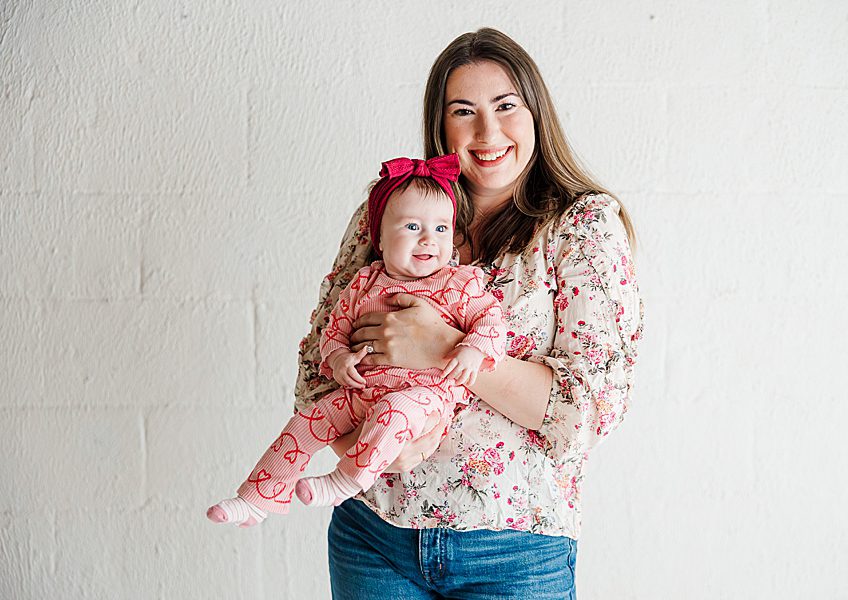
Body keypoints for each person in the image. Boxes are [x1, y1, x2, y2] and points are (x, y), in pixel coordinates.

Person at [295, 28, 644, 599]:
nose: (488, 133)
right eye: (464, 112)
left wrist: (440, 346)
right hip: (374, 537)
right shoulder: (385, 212)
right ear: (441, 125)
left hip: (516, 548)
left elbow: (586, 412)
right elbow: (315, 366)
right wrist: (359, 447)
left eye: (506, 106)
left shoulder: (580, 227)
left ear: (536, 114)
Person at [207, 153, 507, 526]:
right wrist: (338, 360)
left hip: (423, 398)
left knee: (394, 411)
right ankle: (258, 495)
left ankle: (345, 480)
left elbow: (492, 321)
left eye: (442, 228)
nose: (430, 238)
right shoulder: (364, 282)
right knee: (306, 420)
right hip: (360, 392)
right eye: (413, 226)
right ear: (379, 237)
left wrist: (472, 350)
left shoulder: (458, 283)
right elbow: (332, 332)